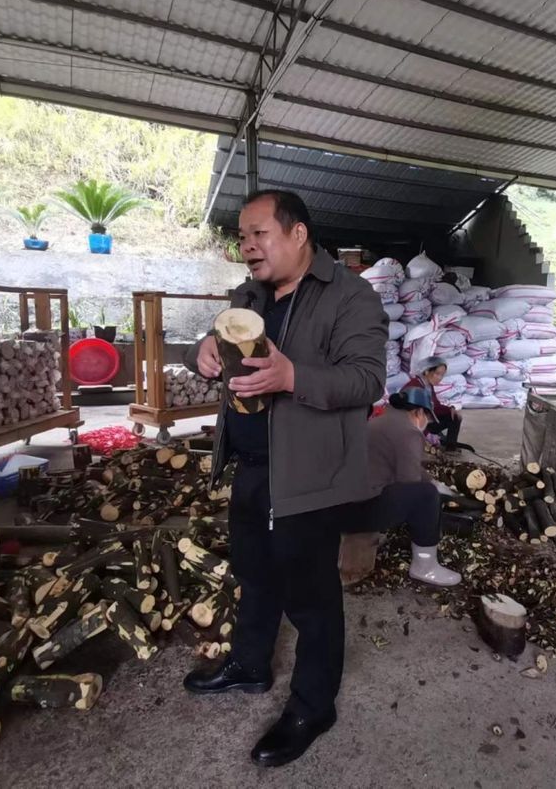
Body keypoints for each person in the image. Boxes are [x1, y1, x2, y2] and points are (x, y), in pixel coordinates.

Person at [183, 189, 387, 767]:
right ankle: (250, 665)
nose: (248, 246)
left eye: (260, 234)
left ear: (298, 234)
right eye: (242, 237)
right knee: (254, 574)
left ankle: (313, 706)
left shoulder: (350, 295)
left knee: (311, 597)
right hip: (250, 464)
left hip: (309, 476)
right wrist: (201, 350)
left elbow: (367, 379)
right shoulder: (248, 295)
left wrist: (292, 375)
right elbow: (218, 351)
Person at [341, 386, 461, 586]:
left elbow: (403, 465)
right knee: (425, 496)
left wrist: (432, 480)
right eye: (427, 418)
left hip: (340, 505)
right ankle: (425, 566)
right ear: (418, 412)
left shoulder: (381, 421)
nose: (426, 423)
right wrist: (433, 490)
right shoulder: (408, 432)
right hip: (356, 512)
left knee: (423, 487)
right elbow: (409, 479)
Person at [404, 356, 462, 449]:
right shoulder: (415, 387)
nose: (440, 378)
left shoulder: (428, 385)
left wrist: (450, 409)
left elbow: (435, 406)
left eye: (442, 375)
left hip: (425, 422)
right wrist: (427, 434)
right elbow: (410, 416)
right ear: (427, 371)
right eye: (437, 374)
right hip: (413, 426)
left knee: (455, 417)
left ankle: (451, 447)